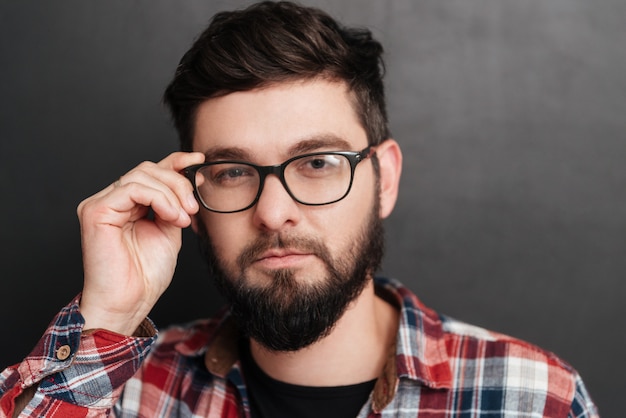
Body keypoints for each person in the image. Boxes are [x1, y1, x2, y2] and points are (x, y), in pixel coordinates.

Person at [0, 1, 599, 417]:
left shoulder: (532, 399)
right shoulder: (125, 395)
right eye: (233, 172)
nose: (274, 212)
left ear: (383, 179)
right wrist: (107, 316)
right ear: (190, 196)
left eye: (316, 163)